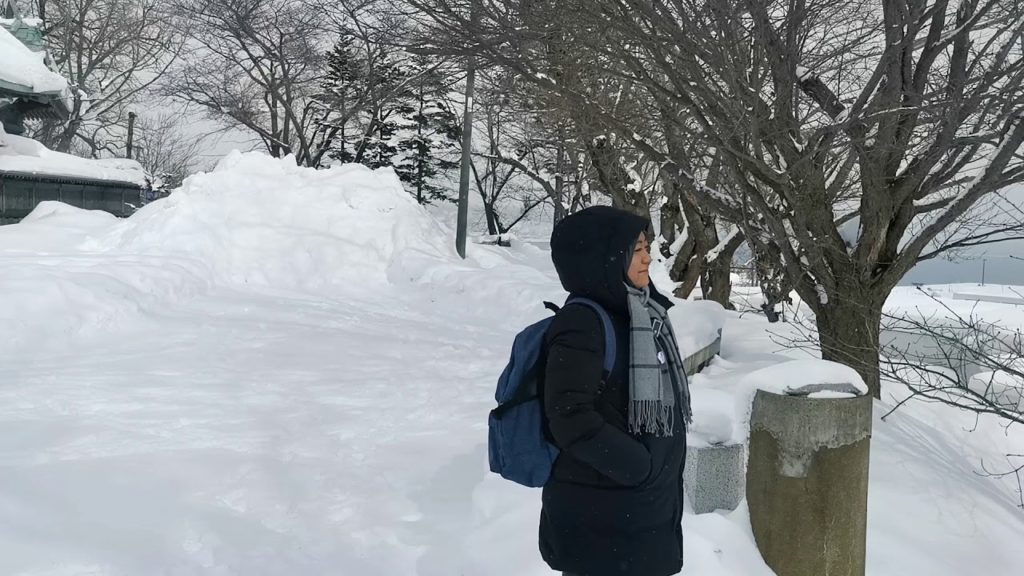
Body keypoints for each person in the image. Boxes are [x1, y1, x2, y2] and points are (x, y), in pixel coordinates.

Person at [540, 206, 692, 576]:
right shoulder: (583, 322)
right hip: (604, 519)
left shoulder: (637, 313)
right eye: (636, 249)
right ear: (604, 257)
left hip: (636, 514)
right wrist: (639, 467)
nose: (648, 257)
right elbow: (568, 415)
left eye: (646, 247)